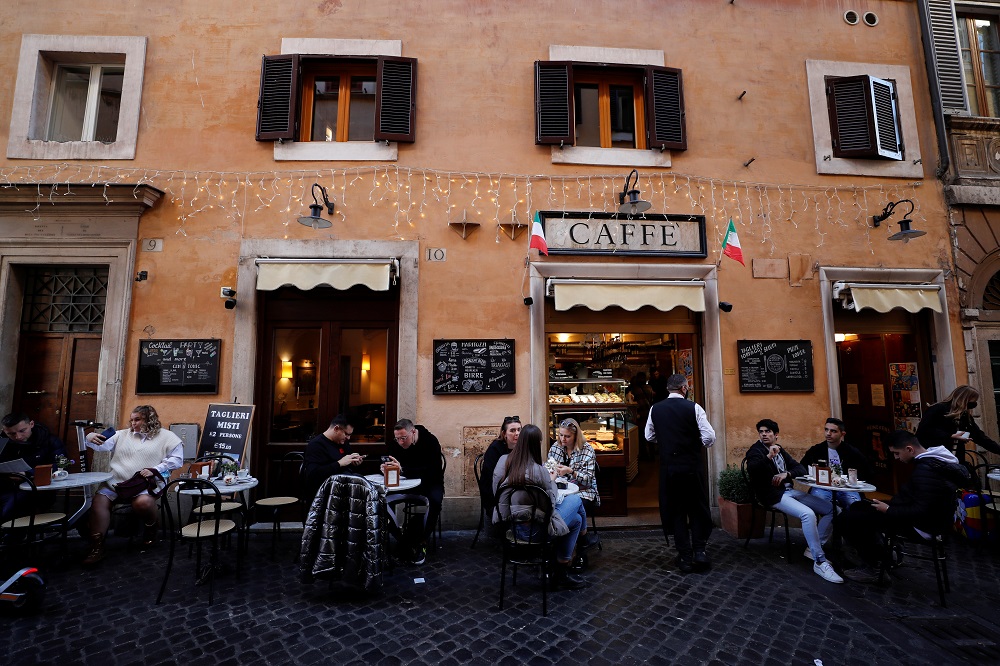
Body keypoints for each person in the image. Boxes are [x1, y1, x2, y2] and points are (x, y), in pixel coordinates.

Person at [836, 430, 969, 583]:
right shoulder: (934, 462)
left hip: (922, 526)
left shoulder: (926, 470)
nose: (896, 458)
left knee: (847, 519)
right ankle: (884, 552)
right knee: (858, 507)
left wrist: (888, 509)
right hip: (922, 519)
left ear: (909, 449)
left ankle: (876, 566)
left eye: (897, 453)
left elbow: (921, 510)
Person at [81, 405, 184, 565]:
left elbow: (177, 460)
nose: (133, 423)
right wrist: (90, 437)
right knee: (99, 501)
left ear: (149, 420)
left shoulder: (167, 437)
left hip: (145, 483)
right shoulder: (121, 435)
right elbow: (98, 445)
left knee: (142, 503)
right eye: (132, 420)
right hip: (117, 481)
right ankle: (97, 547)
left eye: (137, 419)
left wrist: (156, 469)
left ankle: (151, 527)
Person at [746, 419, 843, 584]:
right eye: (761, 432)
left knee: (834, 509)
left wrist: (787, 474)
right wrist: (769, 457)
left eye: (768, 431)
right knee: (808, 514)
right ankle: (820, 561)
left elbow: (800, 468)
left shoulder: (780, 450)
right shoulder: (756, 451)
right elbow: (753, 469)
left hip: (789, 491)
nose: (764, 434)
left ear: (776, 434)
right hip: (773, 496)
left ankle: (813, 549)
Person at [492, 424, 588, 590]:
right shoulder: (540, 472)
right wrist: (551, 480)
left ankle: (560, 570)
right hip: (536, 532)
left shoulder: (503, 461)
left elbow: (497, 493)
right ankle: (570, 559)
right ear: (537, 444)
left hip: (511, 527)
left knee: (577, 520)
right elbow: (550, 505)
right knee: (576, 500)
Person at [645, 373, 715, 573]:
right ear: (684, 388)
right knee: (697, 507)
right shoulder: (694, 407)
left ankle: (684, 556)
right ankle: (699, 551)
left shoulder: (655, 408)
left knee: (676, 510)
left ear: (668, 389)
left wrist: (666, 443)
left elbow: (649, 436)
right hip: (691, 465)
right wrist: (693, 444)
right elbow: (710, 437)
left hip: (669, 468)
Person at [383, 418, 444, 565]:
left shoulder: (430, 441)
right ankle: (402, 539)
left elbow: (433, 472)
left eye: (404, 438)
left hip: (429, 483)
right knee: (380, 499)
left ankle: (421, 541)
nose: (400, 442)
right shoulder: (395, 443)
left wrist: (403, 470)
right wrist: (385, 468)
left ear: (414, 432)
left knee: (436, 501)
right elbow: (390, 463)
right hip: (403, 484)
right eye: (397, 438)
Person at [0, 413, 67, 523]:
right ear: (4, 431)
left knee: (9, 511)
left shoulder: (50, 441)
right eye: (11, 434)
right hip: (6, 487)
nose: (18, 437)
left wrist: (28, 474)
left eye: (22, 431)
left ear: (31, 424)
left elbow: (61, 467)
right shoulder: (3, 442)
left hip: (37, 489)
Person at [547, 417, 600, 549]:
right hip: (561, 492)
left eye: (567, 436)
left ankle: (569, 548)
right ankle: (580, 542)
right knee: (573, 514)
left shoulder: (587, 450)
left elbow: (588, 480)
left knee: (573, 505)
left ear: (576, 436)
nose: (563, 439)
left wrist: (571, 471)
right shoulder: (556, 447)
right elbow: (549, 470)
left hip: (584, 491)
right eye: (561, 435)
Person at [800, 417, 875, 510]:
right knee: (819, 501)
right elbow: (802, 467)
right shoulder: (816, 450)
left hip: (847, 488)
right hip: (822, 487)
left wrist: (852, 480)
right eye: (826, 430)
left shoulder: (852, 452)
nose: (828, 433)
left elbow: (867, 471)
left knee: (854, 505)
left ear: (842, 434)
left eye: (833, 431)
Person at [916, 385, 1000, 460]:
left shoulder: (965, 416)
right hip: (935, 457)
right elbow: (924, 430)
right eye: (973, 401)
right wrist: (950, 436)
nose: (974, 405)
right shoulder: (938, 409)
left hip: (955, 458)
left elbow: (979, 436)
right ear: (964, 399)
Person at [302, 415, 360, 502]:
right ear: (336, 429)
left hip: (344, 490)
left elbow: (347, 467)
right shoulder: (316, 445)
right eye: (346, 434)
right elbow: (312, 475)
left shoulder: (343, 442)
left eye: (350, 435)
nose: (348, 438)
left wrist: (354, 463)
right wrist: (339, 463)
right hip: (324, 494)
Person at [479, 416, 521, 520]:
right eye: (512, 430)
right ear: (504, 434)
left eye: (519, 430)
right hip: (494, 493)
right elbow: (492, 478)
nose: (517, 433)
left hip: (514, 489)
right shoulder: (495, 449)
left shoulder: (521, 447)